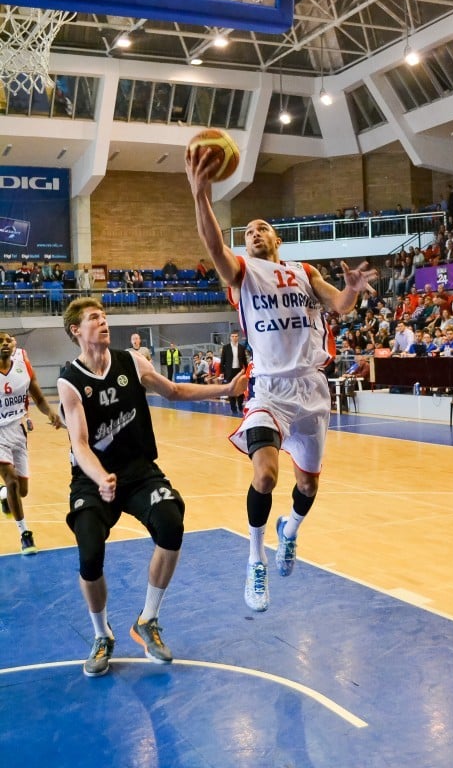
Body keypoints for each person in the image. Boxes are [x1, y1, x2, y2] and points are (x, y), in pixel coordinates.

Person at [186, 143, 376, 612]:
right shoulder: (243, 273)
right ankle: (255, 559)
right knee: (266, 475)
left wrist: (350, 289)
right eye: (247, 230)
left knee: (307, 486)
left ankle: (289, 530)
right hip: (269, 388)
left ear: (277, 240)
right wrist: (201, 197)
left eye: (262, 228)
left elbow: (339, 306)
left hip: (311, 388)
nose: (253, 233)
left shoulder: (303, 270)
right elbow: (214, 247)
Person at [56, 297, 247, 677]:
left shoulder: (131, 362)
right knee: (90, 554)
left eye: (105, 316)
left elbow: (173, 391)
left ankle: (148, 619)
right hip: (94, 480)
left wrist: (225, 390)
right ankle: (101, 635)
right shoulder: (70, 379)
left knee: (171, 523)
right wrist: (100, 478)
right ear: (76, 330)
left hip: (139, 471)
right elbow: (79, 442)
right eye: (94, 318)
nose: (104, 321)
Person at [0, 331, 62, 554]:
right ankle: (24, 534)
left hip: (18, 430)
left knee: (22, 491)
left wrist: (50, 413)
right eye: (0, 341)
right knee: (13, 481)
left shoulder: (22, 367)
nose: (5, 343)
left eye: (8, 340)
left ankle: (4, 494)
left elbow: (40, 399)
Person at [220, 330, 249, 414]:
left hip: (239, 371)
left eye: (236, 336)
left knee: (240, 389)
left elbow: (244, 360)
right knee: (230, 389)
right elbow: (223, 361)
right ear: (230, 337)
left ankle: (240, 405)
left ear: (238, 337)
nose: (234, 338)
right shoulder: (226, 347)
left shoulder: (241, 347)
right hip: (229, 371)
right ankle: (233, 407)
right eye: (232, 336)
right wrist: (222, 372)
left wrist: (247, 370)